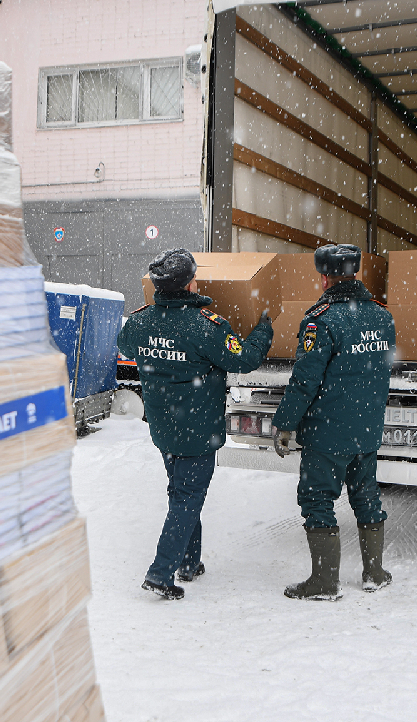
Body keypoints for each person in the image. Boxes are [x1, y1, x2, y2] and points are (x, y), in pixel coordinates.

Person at [118, 248, 273, 600]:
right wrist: (263, 328)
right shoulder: (206, 327)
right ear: (191, 284)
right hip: (198, 431)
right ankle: (161, 573)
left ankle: (189, 562)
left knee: (182, 493)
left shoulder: (140, 322)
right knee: (187, 498)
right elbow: (246, 358)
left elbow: (125, 344)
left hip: (164, 429)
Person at [271, 243, 395, 601]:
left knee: (317, 499)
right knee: (367, 497)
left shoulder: (320, 320)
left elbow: (305, 380)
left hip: (328, 430)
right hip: (367, 428)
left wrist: (285, 422)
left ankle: (325, 583)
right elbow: (380, 370)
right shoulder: (381, 315)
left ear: (324, 279)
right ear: (354, 274)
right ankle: (374, 572)